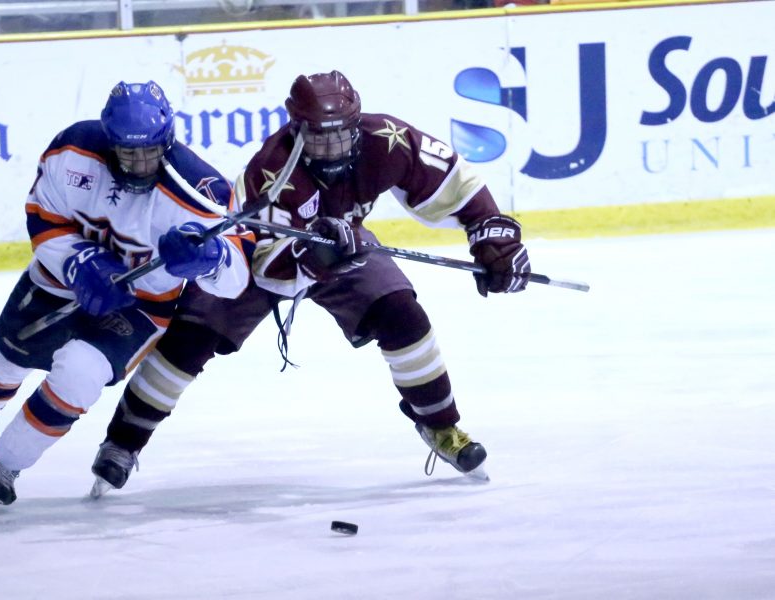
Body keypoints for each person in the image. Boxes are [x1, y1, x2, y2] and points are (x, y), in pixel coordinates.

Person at [89, 70, 531, 494]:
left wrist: (492, 231)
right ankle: (123, 442)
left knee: (403, 315)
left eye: (342, 132)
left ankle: (441, 427)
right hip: (265, 254)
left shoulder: (388, 139)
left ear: (357, 123)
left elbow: (455, 180)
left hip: (346, 246)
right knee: (191, 335)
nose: (333, 144)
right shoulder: (271, 170)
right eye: (319, 133)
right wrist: (314, 254)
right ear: (298, 128)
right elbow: (262, 267)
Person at [0, 80, 252, 510]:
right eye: (128, 152)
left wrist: (208, 258)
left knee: (80, 376)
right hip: (58, 281)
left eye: (150, 151)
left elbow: (234, 279)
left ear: (168, 140)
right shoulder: (74, 150)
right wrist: (79, 263)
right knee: (4, 361)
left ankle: (6, 464)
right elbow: (43, 216)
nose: (141, 163)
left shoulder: (201, 191)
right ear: (109, 142)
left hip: (140, 304)